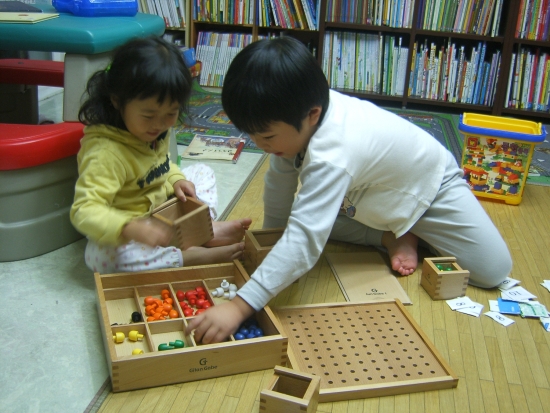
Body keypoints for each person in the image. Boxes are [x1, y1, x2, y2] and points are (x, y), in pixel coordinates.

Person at [185, 36, 512, 344]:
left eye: (267, 137)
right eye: (252, 136)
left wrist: (239, 306)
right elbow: (279, 189)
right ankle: (388, 236)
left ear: (312, 115)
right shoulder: (297, 115)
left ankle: (408, 229)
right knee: (304, 226)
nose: (260, 145)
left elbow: (304, 239)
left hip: (428, 191)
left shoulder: (332, 153)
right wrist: (270, 242)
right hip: (365, 197)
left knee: (492, 270)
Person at [70, 36, 251, 274]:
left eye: (170, 114)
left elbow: (162, 165)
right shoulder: (105, 153)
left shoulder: (155, 130)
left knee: (202, 172)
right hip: (133, 227)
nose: (159, 125)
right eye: (148, 115)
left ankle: (204, 229)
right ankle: (188, 256)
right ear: (117, 100)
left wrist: (176, 180)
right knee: (100, 258)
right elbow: (84, 210)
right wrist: (128, 227)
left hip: (163, 210)